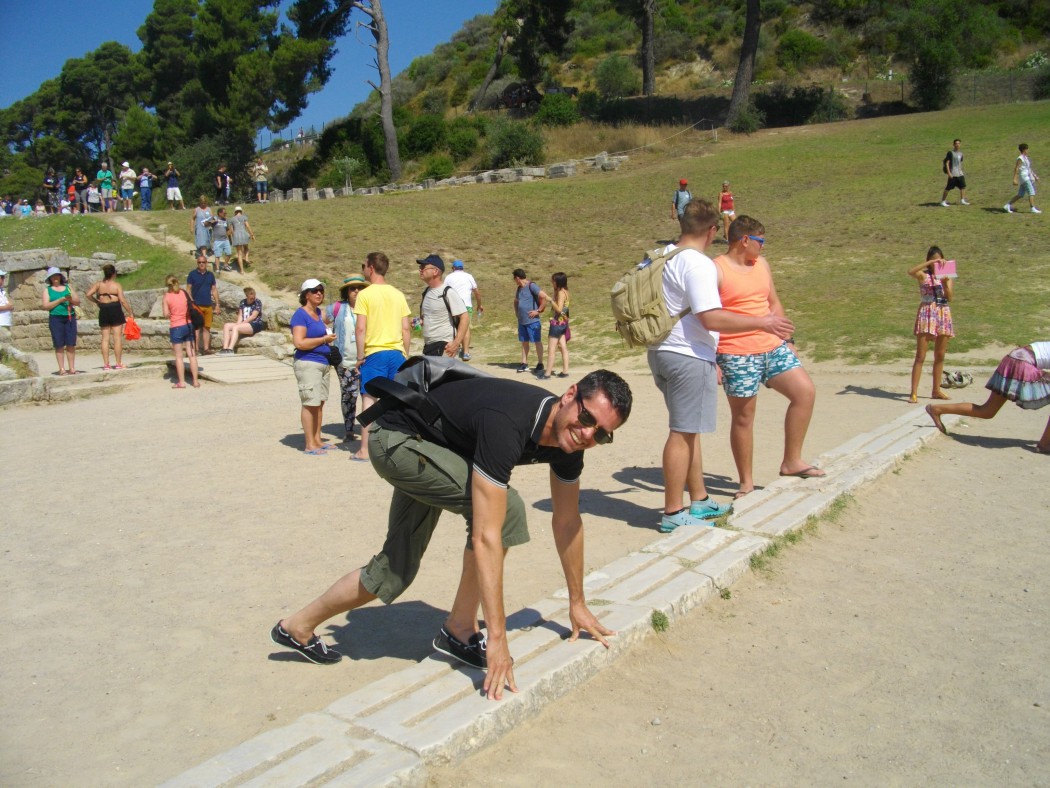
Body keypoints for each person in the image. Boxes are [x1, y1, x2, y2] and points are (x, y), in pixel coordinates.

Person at [271, 368, 633, 703]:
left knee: (394, 570)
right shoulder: (509, 421)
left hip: (435, 446)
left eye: (601, 434)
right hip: (397, 438)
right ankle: (460, 629)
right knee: (507, 511)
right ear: (570, 395)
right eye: (587, 419)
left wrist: (578, 602)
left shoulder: (570, 445)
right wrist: (497, 639)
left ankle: (297, 627)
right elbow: (487, 535)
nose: (588, 434)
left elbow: (568, 522)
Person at [649, 200, 794, 532]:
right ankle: (673, 514)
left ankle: (698, 501)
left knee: (689, 429)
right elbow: (710, 316)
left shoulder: (661, 255)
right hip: (686, 354)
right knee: (681, 433)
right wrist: (763, 322)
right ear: (713, 231)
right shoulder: (697, 264)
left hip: (660, 351)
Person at [713, 216, 824, 499]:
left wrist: (788, 340)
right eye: (760, 241)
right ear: (744, 240)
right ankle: (746, 483)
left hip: (772, 346)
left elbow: (773, 302)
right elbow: (708, 318)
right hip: (735, 352)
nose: (763, 247)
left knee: (805, 392)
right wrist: (713, 359)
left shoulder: (762, 264)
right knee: (744, 418)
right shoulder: (717, 269)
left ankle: (791, 461)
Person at [926, 342, 1050, 454]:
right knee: (987, 410)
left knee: (987, 411)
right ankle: (1044, 444)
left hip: (1013, 359)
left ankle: (936, 409)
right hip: (1023, 362)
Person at [352, 252, 412, 461]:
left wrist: (360, 356)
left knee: (369, 398)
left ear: (370, 267)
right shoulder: (397, 294)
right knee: (396, 400)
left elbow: (360, 328)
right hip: (397, 353)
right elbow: (406, 329)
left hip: (375, 352)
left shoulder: (365, 295)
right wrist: (404, 353)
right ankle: (398, 446)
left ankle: (365, 449)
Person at [290, 278, 335, 454]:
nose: (319, 293)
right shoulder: (300, 315)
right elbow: (299, 342)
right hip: (308, 362)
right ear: (305, 294)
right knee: (310, 403)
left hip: (323, 363)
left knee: (319, 402)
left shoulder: (318, 313)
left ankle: (317, 439)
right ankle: (309, 443)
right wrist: (324, 339)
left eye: (321, 290)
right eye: (315, 290)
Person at [908, 245, 955, 403]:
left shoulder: (947, 276)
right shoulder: (923, 275)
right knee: (920, 356)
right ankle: (913, 392)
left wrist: (945, 281)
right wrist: (927, 264)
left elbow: (950, 297)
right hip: (927, 312)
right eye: (933, 260)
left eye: (939, 260)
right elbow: (911, 271)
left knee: (940, 355)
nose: (937, 263)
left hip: (943, 312)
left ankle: (936, 390)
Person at [326, 275, 369, 440]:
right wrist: (328, 340)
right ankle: (350, 429)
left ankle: (368, 430)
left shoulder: (369, 307)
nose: (356, 291)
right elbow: (319, 321)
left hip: (367, 360)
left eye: (360, 288)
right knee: (349, 396)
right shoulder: (337, 308)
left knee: (368, 395)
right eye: (353, 288)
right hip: (346, 361)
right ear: (346, 291)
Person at [417, 254, 468, 358]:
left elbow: (465, 317)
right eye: (420, 268)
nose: (420, 270)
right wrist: (419, 321)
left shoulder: (448, 292)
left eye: (423, 267)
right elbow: (428, 316)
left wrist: (456, 343)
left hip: (444, 346)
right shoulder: (426, 292)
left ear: (435, 271)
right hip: (428, 345)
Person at [85, 264, 133, 370]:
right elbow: (123, 300)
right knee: (117, 338)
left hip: (104, 309)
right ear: (114, 274)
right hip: (115, 309)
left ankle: (106, 364)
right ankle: (118, 363)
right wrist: (130, 312)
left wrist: (97, 301)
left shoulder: (99, 284)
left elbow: (88, 294)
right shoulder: (116, 285)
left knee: (105, 338)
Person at [41, 266, 81, 375]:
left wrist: (70, 299)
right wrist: (60, 300)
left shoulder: (68, 287)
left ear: (60, 276)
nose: (55, 278)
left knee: (71, 343)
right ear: (50, 278)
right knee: (59, 344)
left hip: (69, 317)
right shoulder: (47, 290)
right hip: (55, 318)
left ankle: (72, 368)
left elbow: (77, 301)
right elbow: (46, 306)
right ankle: (62, 369)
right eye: (53, 276)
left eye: (57, 275)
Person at [162, 274, 200, 389]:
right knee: (191, 354)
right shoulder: (184, 293)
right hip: (188, 324)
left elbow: (165, 314)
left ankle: (182, 382)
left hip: (176, 326)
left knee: (179, 356)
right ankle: (195, 381)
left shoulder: (167, 296)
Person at [444, 259, 482, 360]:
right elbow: (477, 292)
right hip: (466, 306)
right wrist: (479, 305)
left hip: (452, 306)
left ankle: (452, 351)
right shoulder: (469, 276)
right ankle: (466, 352)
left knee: (453, 327)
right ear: (462, 268)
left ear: (453, 268)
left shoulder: (448, 277)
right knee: (465, 328)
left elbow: (443, 292)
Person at [512, 268, 546, 374]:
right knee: (524, 342)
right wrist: (517, 313)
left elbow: (543, 297)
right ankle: (524, 363)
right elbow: (516, 301)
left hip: (532, 321)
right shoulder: (519, 289)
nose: (514, 281)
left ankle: (540, 363)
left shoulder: (532, 286)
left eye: (514, 278)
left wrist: (538, 311)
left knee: (537, 341)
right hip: (522, 321)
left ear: (517, 278)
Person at [186, 255, 218, 354]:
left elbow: (214, 289)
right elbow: (188, 289)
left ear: (206, 263)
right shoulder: (192, 274)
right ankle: (195, 349)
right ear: (197, 263)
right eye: (199, 262)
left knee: (207, 327)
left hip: (208, 304)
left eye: (203, 262)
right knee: (196, 328)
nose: (201, 264)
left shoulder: (210, 275)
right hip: (197, 305)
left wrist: (217, 304)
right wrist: (191, 302)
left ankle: (206, 349)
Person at [220, 286, 264, 354]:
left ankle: (230, 349)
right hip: (244, 324)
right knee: (227, 325)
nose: (253, 299)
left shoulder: (257, 302)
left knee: (236, 327)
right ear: (247, 296)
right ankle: (225, 348)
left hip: (255, 324)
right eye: (251, 298)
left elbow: (253, 316)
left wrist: (241, 324)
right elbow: (240, 315)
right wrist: (238, 323)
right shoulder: (242, 302)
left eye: (254, 297)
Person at [543, 272, 570, 379]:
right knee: (563, 346)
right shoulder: (566, 292)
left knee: (551, 349)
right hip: (563, 323)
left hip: (557, 324)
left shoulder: (560, 293)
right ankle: (565, 371)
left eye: (553, 281)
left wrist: (550, 300)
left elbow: (558, 309)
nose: (551, 282)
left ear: (557, 282)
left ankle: (547, 374)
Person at [1004, 143, 1041, 214]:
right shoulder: (1020, 158)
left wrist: (1035, 176)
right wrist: (1014, 179)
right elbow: (1016, 168)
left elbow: (1029, 168)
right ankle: (1032, 208)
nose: (1028, 151)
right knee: (1031, 192)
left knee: (1020, 194)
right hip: (1024, 178)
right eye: (1027, 149)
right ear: (1024, 150)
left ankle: (1007, 205)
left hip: (1026, 177)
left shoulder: (1026, 158)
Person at [940, 139, 969, 207]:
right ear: (953, 144)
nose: (957, 144)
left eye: (959, 143)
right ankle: (943, 201)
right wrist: (949, 173)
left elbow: (959, 163)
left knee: (962, 187)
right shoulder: (950, 153)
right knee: (948, 188)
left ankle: (962, 200)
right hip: (953, 174)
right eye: (956, 143)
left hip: (960, 173)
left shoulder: (961, 153)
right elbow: (947, 163)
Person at [229, 206, 255, 273]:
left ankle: (242, 270)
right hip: (244, 234)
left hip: (236, 236)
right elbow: (248, 226)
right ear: (241, 211)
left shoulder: (232, 219)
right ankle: (246, 258)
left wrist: (231, 239)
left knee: (239, 253)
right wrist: (252, 234)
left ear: (235, 212)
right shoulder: (244, 217)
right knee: (246, 248)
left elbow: (231, 231)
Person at [209, 206, 233, 272]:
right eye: (224, 213)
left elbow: (228, 230)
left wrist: (230, 239)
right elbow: (206, 223)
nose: (225, 214)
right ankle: (217, 269)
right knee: (217, 255)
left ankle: (225, 265)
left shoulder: (226, 220)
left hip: (225, 240)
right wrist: (212, 221)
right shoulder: (215, 218)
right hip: (217, 240)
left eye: (226, 213)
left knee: (229, 253)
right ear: (219, 213)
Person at [192, 196, 213, 262]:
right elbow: (193, 219)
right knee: (202, 241)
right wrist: (191, 227)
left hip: (207, 228)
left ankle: (206, 250)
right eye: (202, 203)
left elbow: (212, 218)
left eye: (204, 203)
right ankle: (204, 255)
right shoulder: (197, 209)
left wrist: (211, 223)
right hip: (200, 228)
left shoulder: (209, 209)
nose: (203, 204)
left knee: (207, 240)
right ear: (200, 203)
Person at [0, 269, 13, 340]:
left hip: (5, 322)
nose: (3, 279)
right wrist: (6, 307)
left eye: (3, 277)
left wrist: (10, 307)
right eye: (1, 277)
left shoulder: (2, 291)